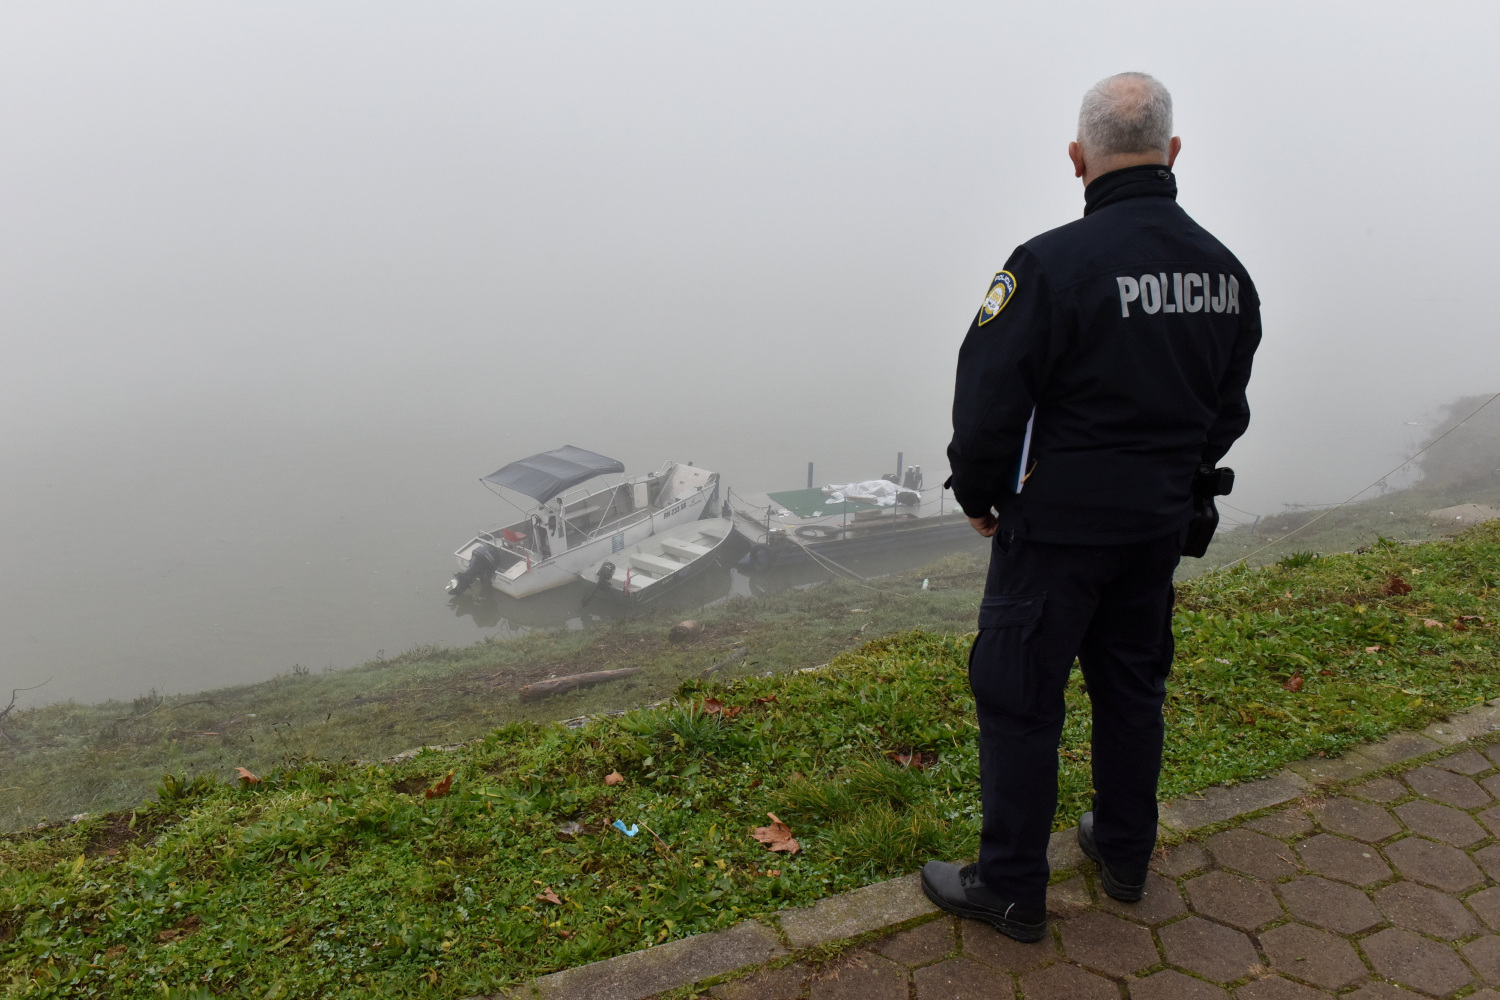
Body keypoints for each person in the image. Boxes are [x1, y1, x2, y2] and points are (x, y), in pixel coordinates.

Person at [921, 72, 1261, 941]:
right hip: (1156, 529)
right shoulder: (1226, 273)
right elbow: (1227, 410)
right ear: (1172, 152)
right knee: (1132, 689)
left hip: (1056, 534)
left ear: (1078, 158)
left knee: (1019, 699)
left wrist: (979, 494)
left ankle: (1010, 887)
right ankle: (1124, 853)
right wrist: (1172, 475)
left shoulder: (1047, 266)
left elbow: (988, 402)